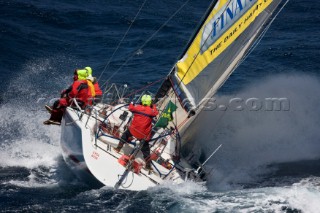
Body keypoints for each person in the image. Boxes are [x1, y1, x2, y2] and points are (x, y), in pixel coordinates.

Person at [113, 94, 158, 170]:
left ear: (142, 101)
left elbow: (130, 107)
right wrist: (153, 106)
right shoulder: (151, 112)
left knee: (125, 135)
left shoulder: (137, 108)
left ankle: (118, 148)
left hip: (133, 131)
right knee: (146, 150)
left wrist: (131, 103)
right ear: (150, 102)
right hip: (143, 135)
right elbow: (156, 112)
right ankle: (148, 165)